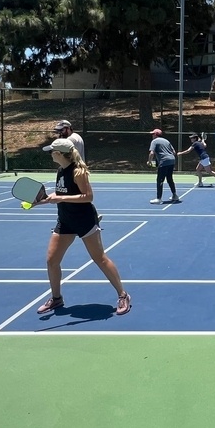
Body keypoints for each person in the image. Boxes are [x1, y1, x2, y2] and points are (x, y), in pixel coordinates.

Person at [32, 137, 130, 317]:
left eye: (52, 151)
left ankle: (123, 295)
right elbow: (62, 193)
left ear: (59, 154)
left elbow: (87, 196)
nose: (50, 154)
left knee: (99, 258)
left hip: (84, 220)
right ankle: (56, 298)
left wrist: (61, 198)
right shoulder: (61, 170)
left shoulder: (78, 172)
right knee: (51, 260)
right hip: (65, 220)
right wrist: (41, 201)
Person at [147, 128, 181, 204]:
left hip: (164, 161)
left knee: (160, 179)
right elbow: (174, 152)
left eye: (153, 134)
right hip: (172, 160)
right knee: (169, 178)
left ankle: (159, 198)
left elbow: (152, 153)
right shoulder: (166, 141)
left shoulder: (154, 141)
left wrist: (149, 161)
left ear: (156, 135)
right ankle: (175, 195)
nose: (152, 135)